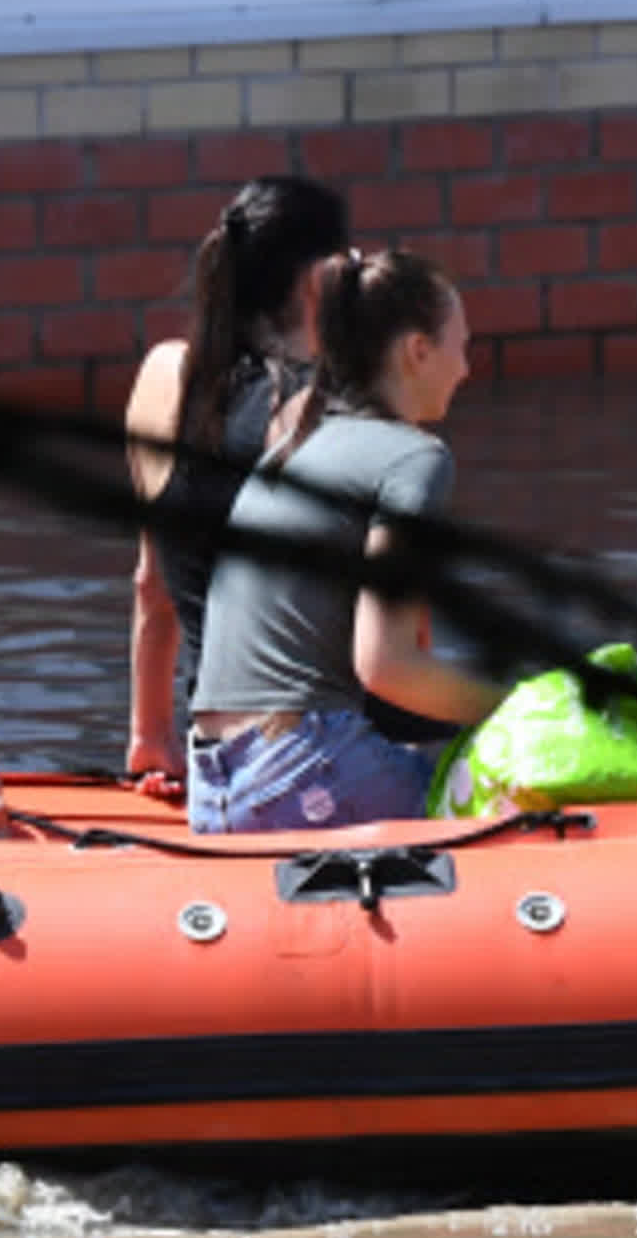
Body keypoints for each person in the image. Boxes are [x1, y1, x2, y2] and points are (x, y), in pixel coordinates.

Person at [186, 247, 500, 835]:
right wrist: (515, 709)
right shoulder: (413, 458)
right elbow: (387, 664)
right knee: (544, 796)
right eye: (463, 346)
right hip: (306, 772)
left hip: (211, 787)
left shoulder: (292, 448)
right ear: (417, 351)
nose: (467, 368)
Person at [122, 174, 354, 795]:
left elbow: (154, 587)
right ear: (319, 280)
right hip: (318, 765)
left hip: (214, 761)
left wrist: (150, 736)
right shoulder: (327, 409)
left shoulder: (164, 375)